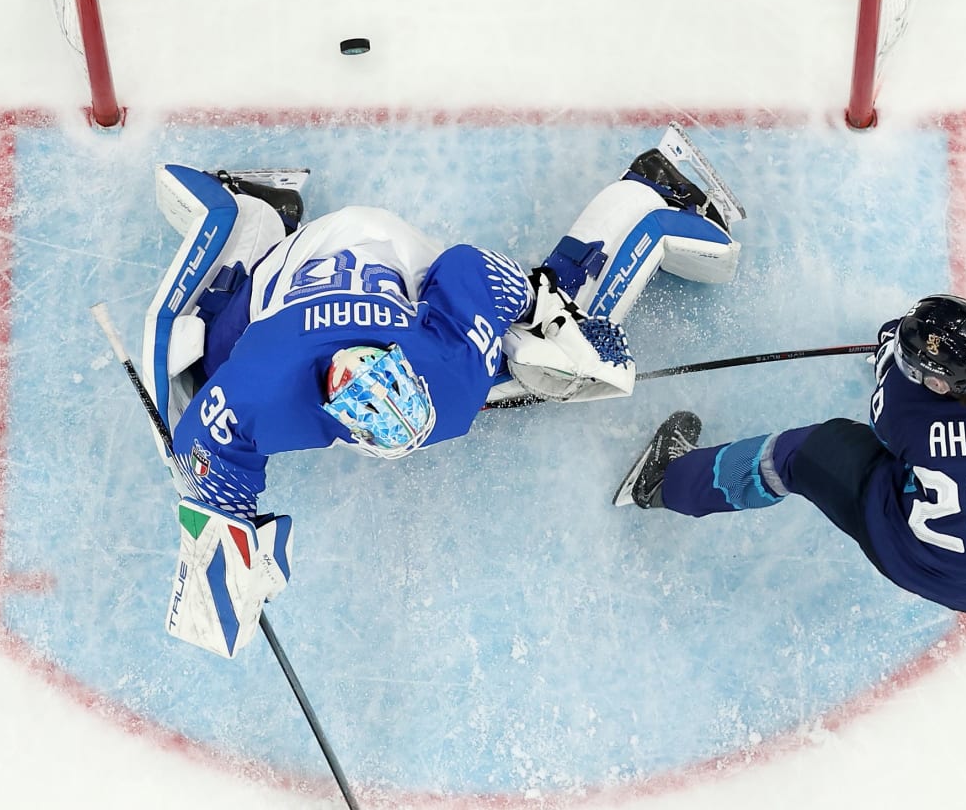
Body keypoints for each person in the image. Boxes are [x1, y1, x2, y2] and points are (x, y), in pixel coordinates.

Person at [140, 124, 746, 656]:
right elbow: (205, 446)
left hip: (398, 261)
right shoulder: (268, 376)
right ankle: (253, 214)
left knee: (545, 351)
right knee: (199, 365)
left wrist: (545, 310)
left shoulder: (443, 377)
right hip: (307, 261)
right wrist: (232, 530)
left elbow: (466, 267)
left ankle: (645, 198)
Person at [613, 294, 966, 616]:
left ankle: (666, 481)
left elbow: (896, 369)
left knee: (798, 456)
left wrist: (893, 344)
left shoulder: (899, 413)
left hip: (919, 563)